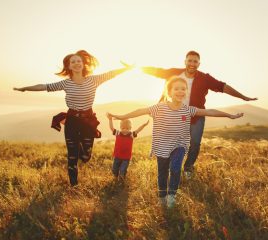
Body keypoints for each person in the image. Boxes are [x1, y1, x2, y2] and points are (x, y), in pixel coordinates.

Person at [107, 76, 244, 208]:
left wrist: (229, 115)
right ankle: (162, 196)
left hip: (180, 145)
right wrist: (120, 116)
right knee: (162, 172)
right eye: (176, 89)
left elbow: (209, 111)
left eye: (183, 89)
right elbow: (140, 111)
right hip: (162, 146)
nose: (180, 91)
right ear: (170, 92)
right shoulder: (159, 107)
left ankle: (171, 196)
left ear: (186, 92)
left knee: (175, 168)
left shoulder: (188, 109)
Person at [13, 50, 132, 186]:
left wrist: (127, 68)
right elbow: (44, 86)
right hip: (72, 121)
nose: (76, 63)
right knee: (72, 156)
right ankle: (74, 186)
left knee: (86, 157)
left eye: (78, 61)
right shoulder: (66, 83)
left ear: (83, 64)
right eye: (73, 62)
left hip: (88, 121)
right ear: (69, 66)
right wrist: (25, 88)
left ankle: (81, 148)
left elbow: (111, 74)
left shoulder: (93, 80)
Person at [140, 50, 257, 179]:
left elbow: (222, 86)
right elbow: (156, 71)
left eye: (195, 61)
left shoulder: (204, 78)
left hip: (197, 115)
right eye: (189, 60)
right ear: (185, 62)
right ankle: (171, 168)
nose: (192, 63)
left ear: (199, 64)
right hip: (175, 114)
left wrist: (243, 97)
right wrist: (135, 67)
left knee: (195, 143)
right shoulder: (174, 72)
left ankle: (188, 168)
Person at [107, 114, 149, 181]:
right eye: (123, 128)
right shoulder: (118, 133)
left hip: (126, 158)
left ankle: (121, 181)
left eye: (127, 128)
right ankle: (115, 179)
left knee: (122, 170)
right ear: (121, 127)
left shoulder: (131, 135)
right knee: (114, 170)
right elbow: (111, 128)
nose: (125, 130)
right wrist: (110, 119)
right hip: (117, 156)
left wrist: (144, 125)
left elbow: (138, 130)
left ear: (130, 128)